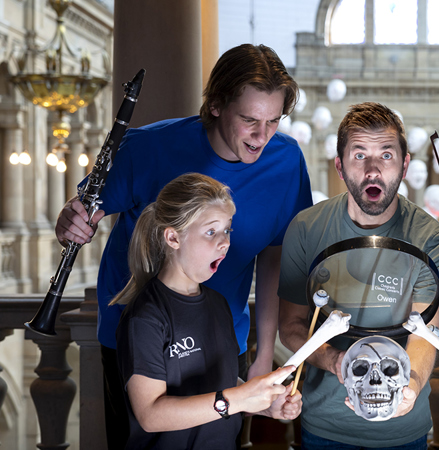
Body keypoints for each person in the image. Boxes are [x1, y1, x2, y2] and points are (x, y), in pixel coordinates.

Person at [54, 44, 312, 448]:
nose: (262, 136)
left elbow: (275, 256)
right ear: (215, 106)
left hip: (224, 336)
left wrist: (263, 354)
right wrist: (70, 222)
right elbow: (82, 214)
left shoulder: (286, 161)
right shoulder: (146, 147)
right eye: (248, 120)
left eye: (273, 121)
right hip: (139, 336)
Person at [278, 102, 439, 449]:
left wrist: (412, 386)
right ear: (340, 167)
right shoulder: (305, 229)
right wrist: (336, 361)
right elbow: (291, 326)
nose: (373, 170)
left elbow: (424, 333)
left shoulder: (432, 241)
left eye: (386, 155)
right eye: (359, 156)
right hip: (324, 425)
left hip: (405, 431)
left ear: (405, 165)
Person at [114, 173, 302, 449]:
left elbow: (222, 384)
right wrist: (238, 399)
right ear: (173, 237)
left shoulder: (218, 304)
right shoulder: (146, 317)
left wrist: (263, 404)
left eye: (227, 230)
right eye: (211, 232)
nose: (225, 242)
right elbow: (151, 415)